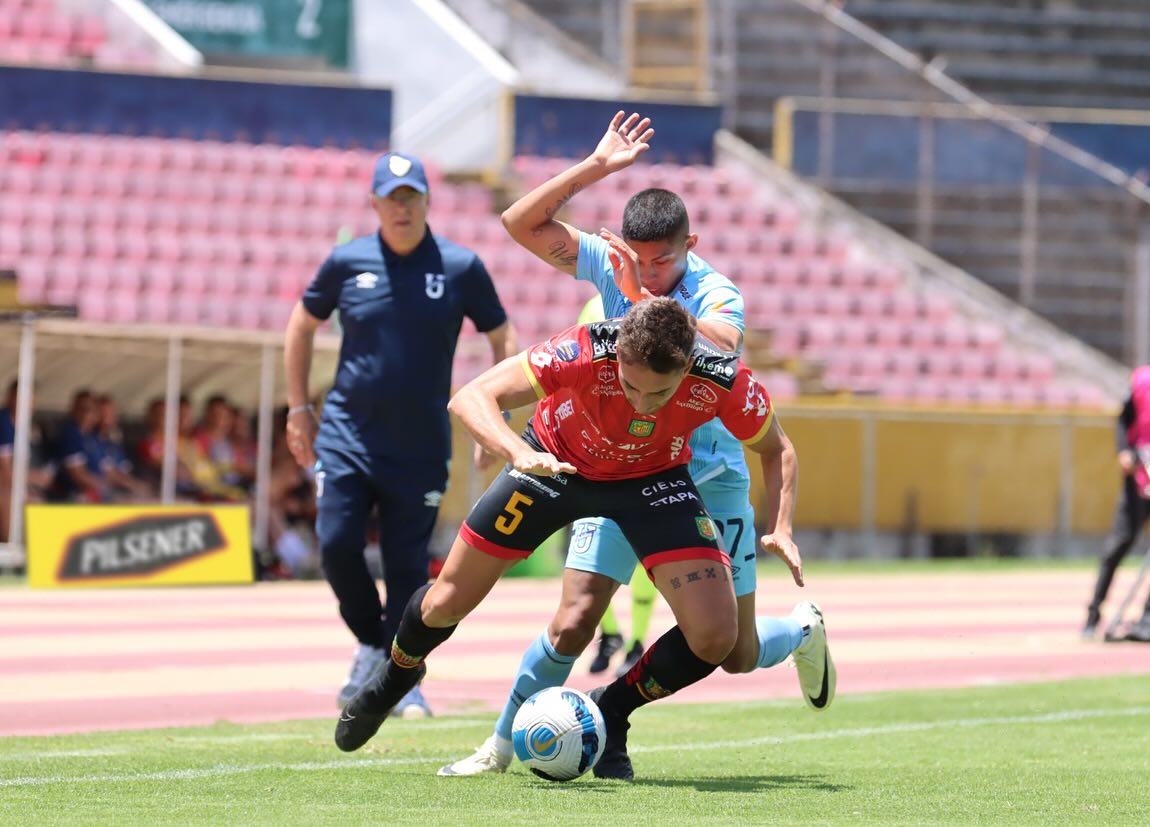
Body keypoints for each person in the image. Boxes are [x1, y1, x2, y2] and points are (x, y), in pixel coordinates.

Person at [439, 110, 833, 777]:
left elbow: (720, 351)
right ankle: (500, 744)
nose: (649, 275)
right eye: (640, 261)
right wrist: (593, 169)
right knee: (573, 619)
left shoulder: (716, 292)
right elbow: (518, 224)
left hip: (707, 478)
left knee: (731, 650)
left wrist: (633, 305)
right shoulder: (616, 264)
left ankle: (799, 630)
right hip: (624, 468)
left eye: (665, 262)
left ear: (693, 245)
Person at [335, 297, 833, 783]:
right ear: (617, 355)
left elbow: (777, 446)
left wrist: (782, 524)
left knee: (717, 637)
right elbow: (469, 397)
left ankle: (612, 708)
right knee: (445, 602)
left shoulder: (721, 376)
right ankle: (397, 676)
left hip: (651, 482)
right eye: (631, 386)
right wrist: (515, 451)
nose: (642, 405)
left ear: (685, 369)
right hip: (553, 465)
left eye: (658, 395)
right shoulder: (582, 349)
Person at [284, 150, 518, 717]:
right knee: (337, 545)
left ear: (426, 202)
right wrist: (297, 410)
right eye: (392, 199)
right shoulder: (347, 262)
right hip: (345, 435)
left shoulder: (460, 267)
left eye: (412, 197)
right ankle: (372, 645)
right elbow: (301, 324)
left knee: (408, 566)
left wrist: (499, 423)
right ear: (375, 205)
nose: (403, 208)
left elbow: (504, 339)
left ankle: (402, 677)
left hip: (419, 446)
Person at [576, 295, 657, 678]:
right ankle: (609, 634)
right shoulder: (593, 308)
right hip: (597, 455)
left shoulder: (656, 307)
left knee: (646, 553)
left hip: (646, 455)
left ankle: (636, 641)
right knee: (589, 552)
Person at [1083, 365, 1150, 642]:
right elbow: (1123, 420)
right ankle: (1093, 613)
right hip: (1139, 472)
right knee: (1119, 543)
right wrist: (1123, 451)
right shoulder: (1141, 380)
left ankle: (1147, 618)